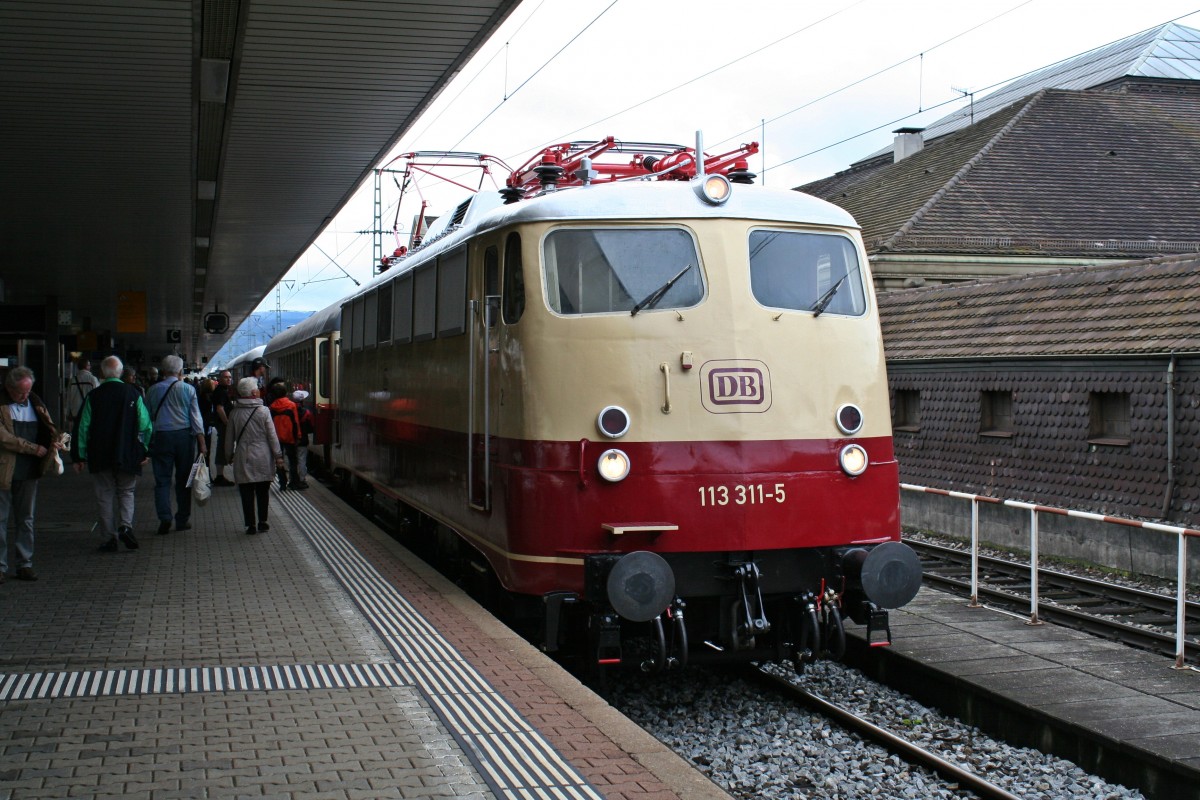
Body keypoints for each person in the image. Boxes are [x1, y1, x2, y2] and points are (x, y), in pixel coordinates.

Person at [72, 355, 152, 552]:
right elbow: (146, 425)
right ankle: (126, 526)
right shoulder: (133, 394)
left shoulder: (94, 396)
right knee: (126, 492)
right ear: (121, 372)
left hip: (100, 454)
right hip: (128, 453)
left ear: (102, 373)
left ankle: (109, 538)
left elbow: (82, 427)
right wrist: (145, 450)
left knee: (104, 495)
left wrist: (79, 456)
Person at [0, 366, 62, 582]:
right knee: (1, 518)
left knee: (26, 518)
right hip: (4, 469)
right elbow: (4, 438)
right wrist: (32, 448)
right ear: (9, 388)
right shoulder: (2, 404)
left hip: (29, 471)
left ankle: (24, 563)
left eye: (27, 391)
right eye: (20, 392)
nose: (24, 396)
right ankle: (1, 566)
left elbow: (48, 428)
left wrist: (54, 442)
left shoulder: (36, 403)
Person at [145, 355, 206, 535]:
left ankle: (164, 517)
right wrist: (202, 442)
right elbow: (196, 418)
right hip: (184, 437)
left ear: (163, 371)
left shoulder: (152, 390)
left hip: (161, 437)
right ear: (180, 371)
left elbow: (146, 417)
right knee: (184, 480)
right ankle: (182, 519)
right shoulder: (188, 390)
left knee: (162, 480)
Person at [225, 377, 284, 535]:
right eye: (257, 388)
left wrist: (228, 454)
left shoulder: (234, 413)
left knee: (246, 491)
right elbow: (272, 436)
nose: (258, 389)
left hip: (243, 454)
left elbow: (229, 437)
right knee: (262, 490)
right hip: (263, 455)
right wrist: (278, 455)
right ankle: (263, 522)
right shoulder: (263, 411)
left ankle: (250, 525)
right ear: (253, 392)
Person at [267, 381, 302, 490]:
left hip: (276, 438)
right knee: (293, 460)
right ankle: (294, 482)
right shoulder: (291, 405)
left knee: (279, 460)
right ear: (286, 393)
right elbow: (295, 422)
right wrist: (298, 436)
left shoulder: (272, 407)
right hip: (290, 437)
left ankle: (282, 482)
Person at [210, 369, 235, 486]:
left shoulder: (223, 390)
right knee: (222, 448)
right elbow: (220, 409)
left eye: (230, 377)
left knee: (223, 447)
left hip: (221, 424)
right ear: (220, 379)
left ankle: (220, 475)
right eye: (226, 377)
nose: (228, 379)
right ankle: (219, 476)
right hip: (222, 425)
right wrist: (227, 423)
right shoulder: (220, 391)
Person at [65, 357, 99, 432]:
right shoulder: (93, 379)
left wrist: (67, 412)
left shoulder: (72, 380)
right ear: (87, 366)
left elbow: (68, 398)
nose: (90, 367)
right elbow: (97, 397)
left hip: (75, 412)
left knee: (76, 432)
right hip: (89, 411)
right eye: (89, 365)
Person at [292, 389, 313, 490]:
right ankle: (302, 479)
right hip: (303, 440)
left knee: (292, 460)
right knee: (302, 460)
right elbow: (311, 427)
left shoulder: (289, 410)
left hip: (291, 440)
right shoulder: (307, 412)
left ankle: (293, 479)